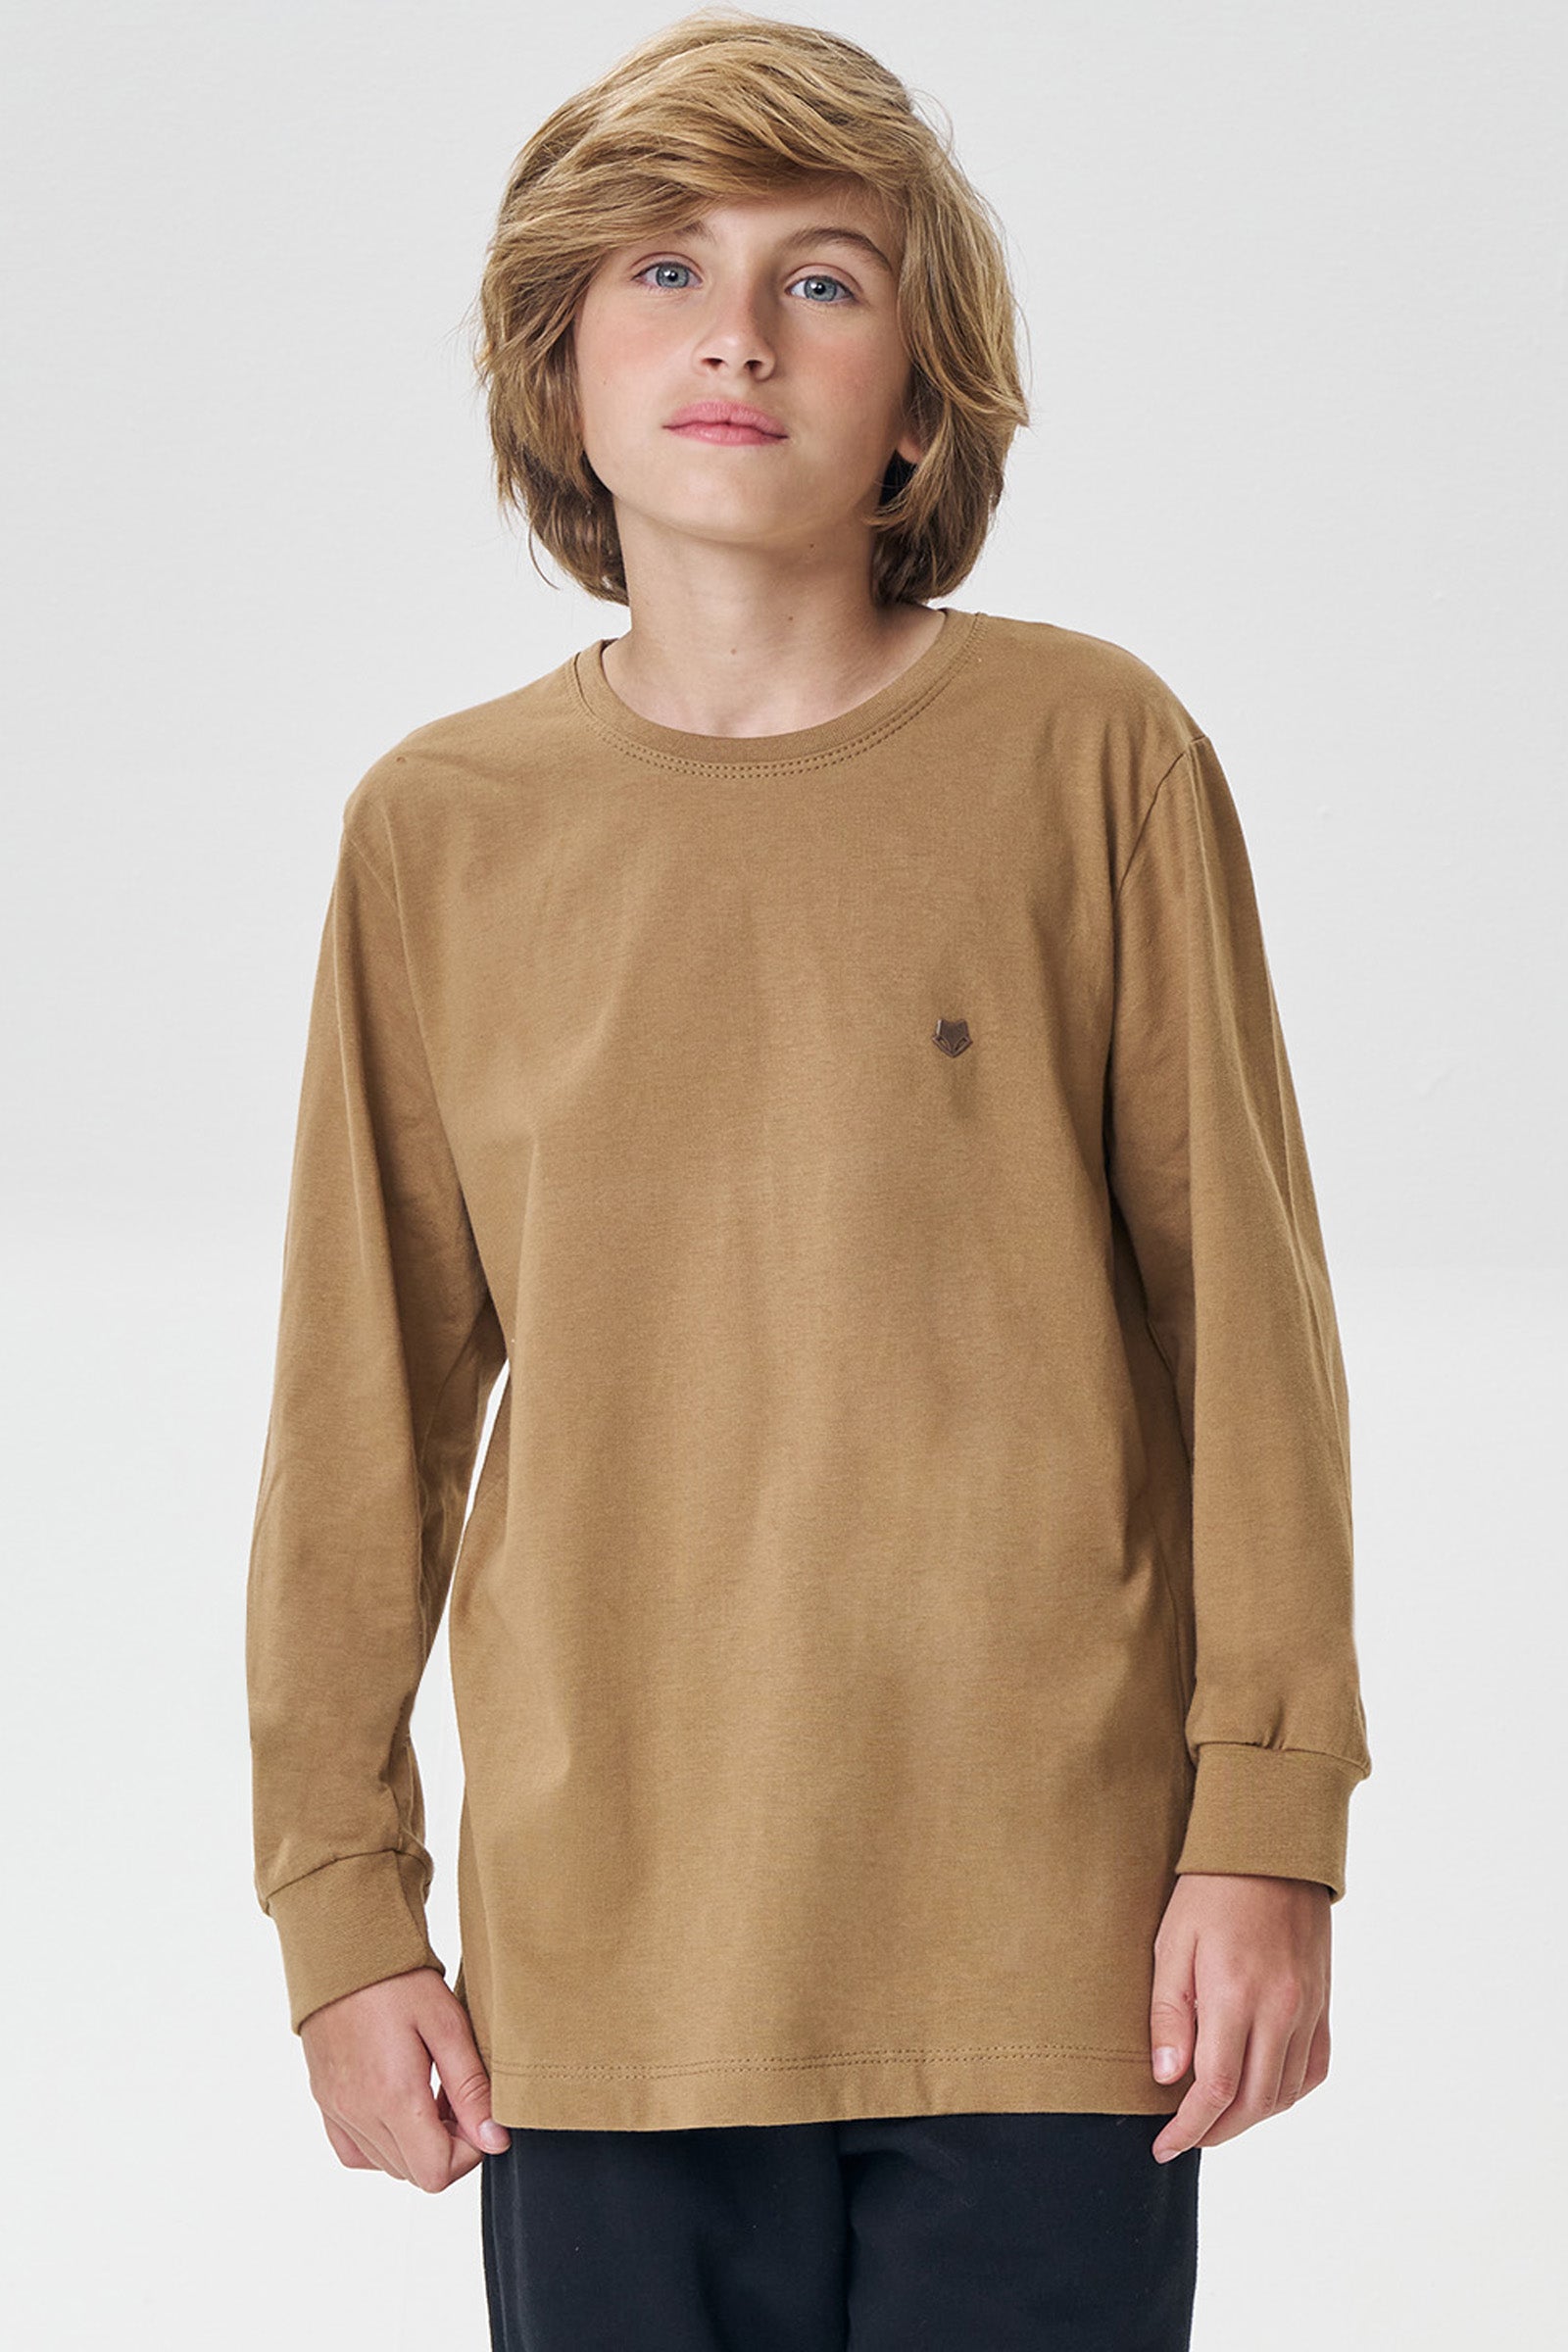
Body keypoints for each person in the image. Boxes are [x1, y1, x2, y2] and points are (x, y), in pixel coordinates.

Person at [245, 12, 1373, 2347]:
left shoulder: (1092, 759)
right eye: (660, 270)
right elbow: (359, 1418)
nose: (736, 334)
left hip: (1051, 1948)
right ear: (556, 371)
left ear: (921, 403)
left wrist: (1267, 1823)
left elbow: (1248, 1340)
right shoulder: (439, 834)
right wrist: (342, 1910)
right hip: (606, 1969)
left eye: (822, 279)